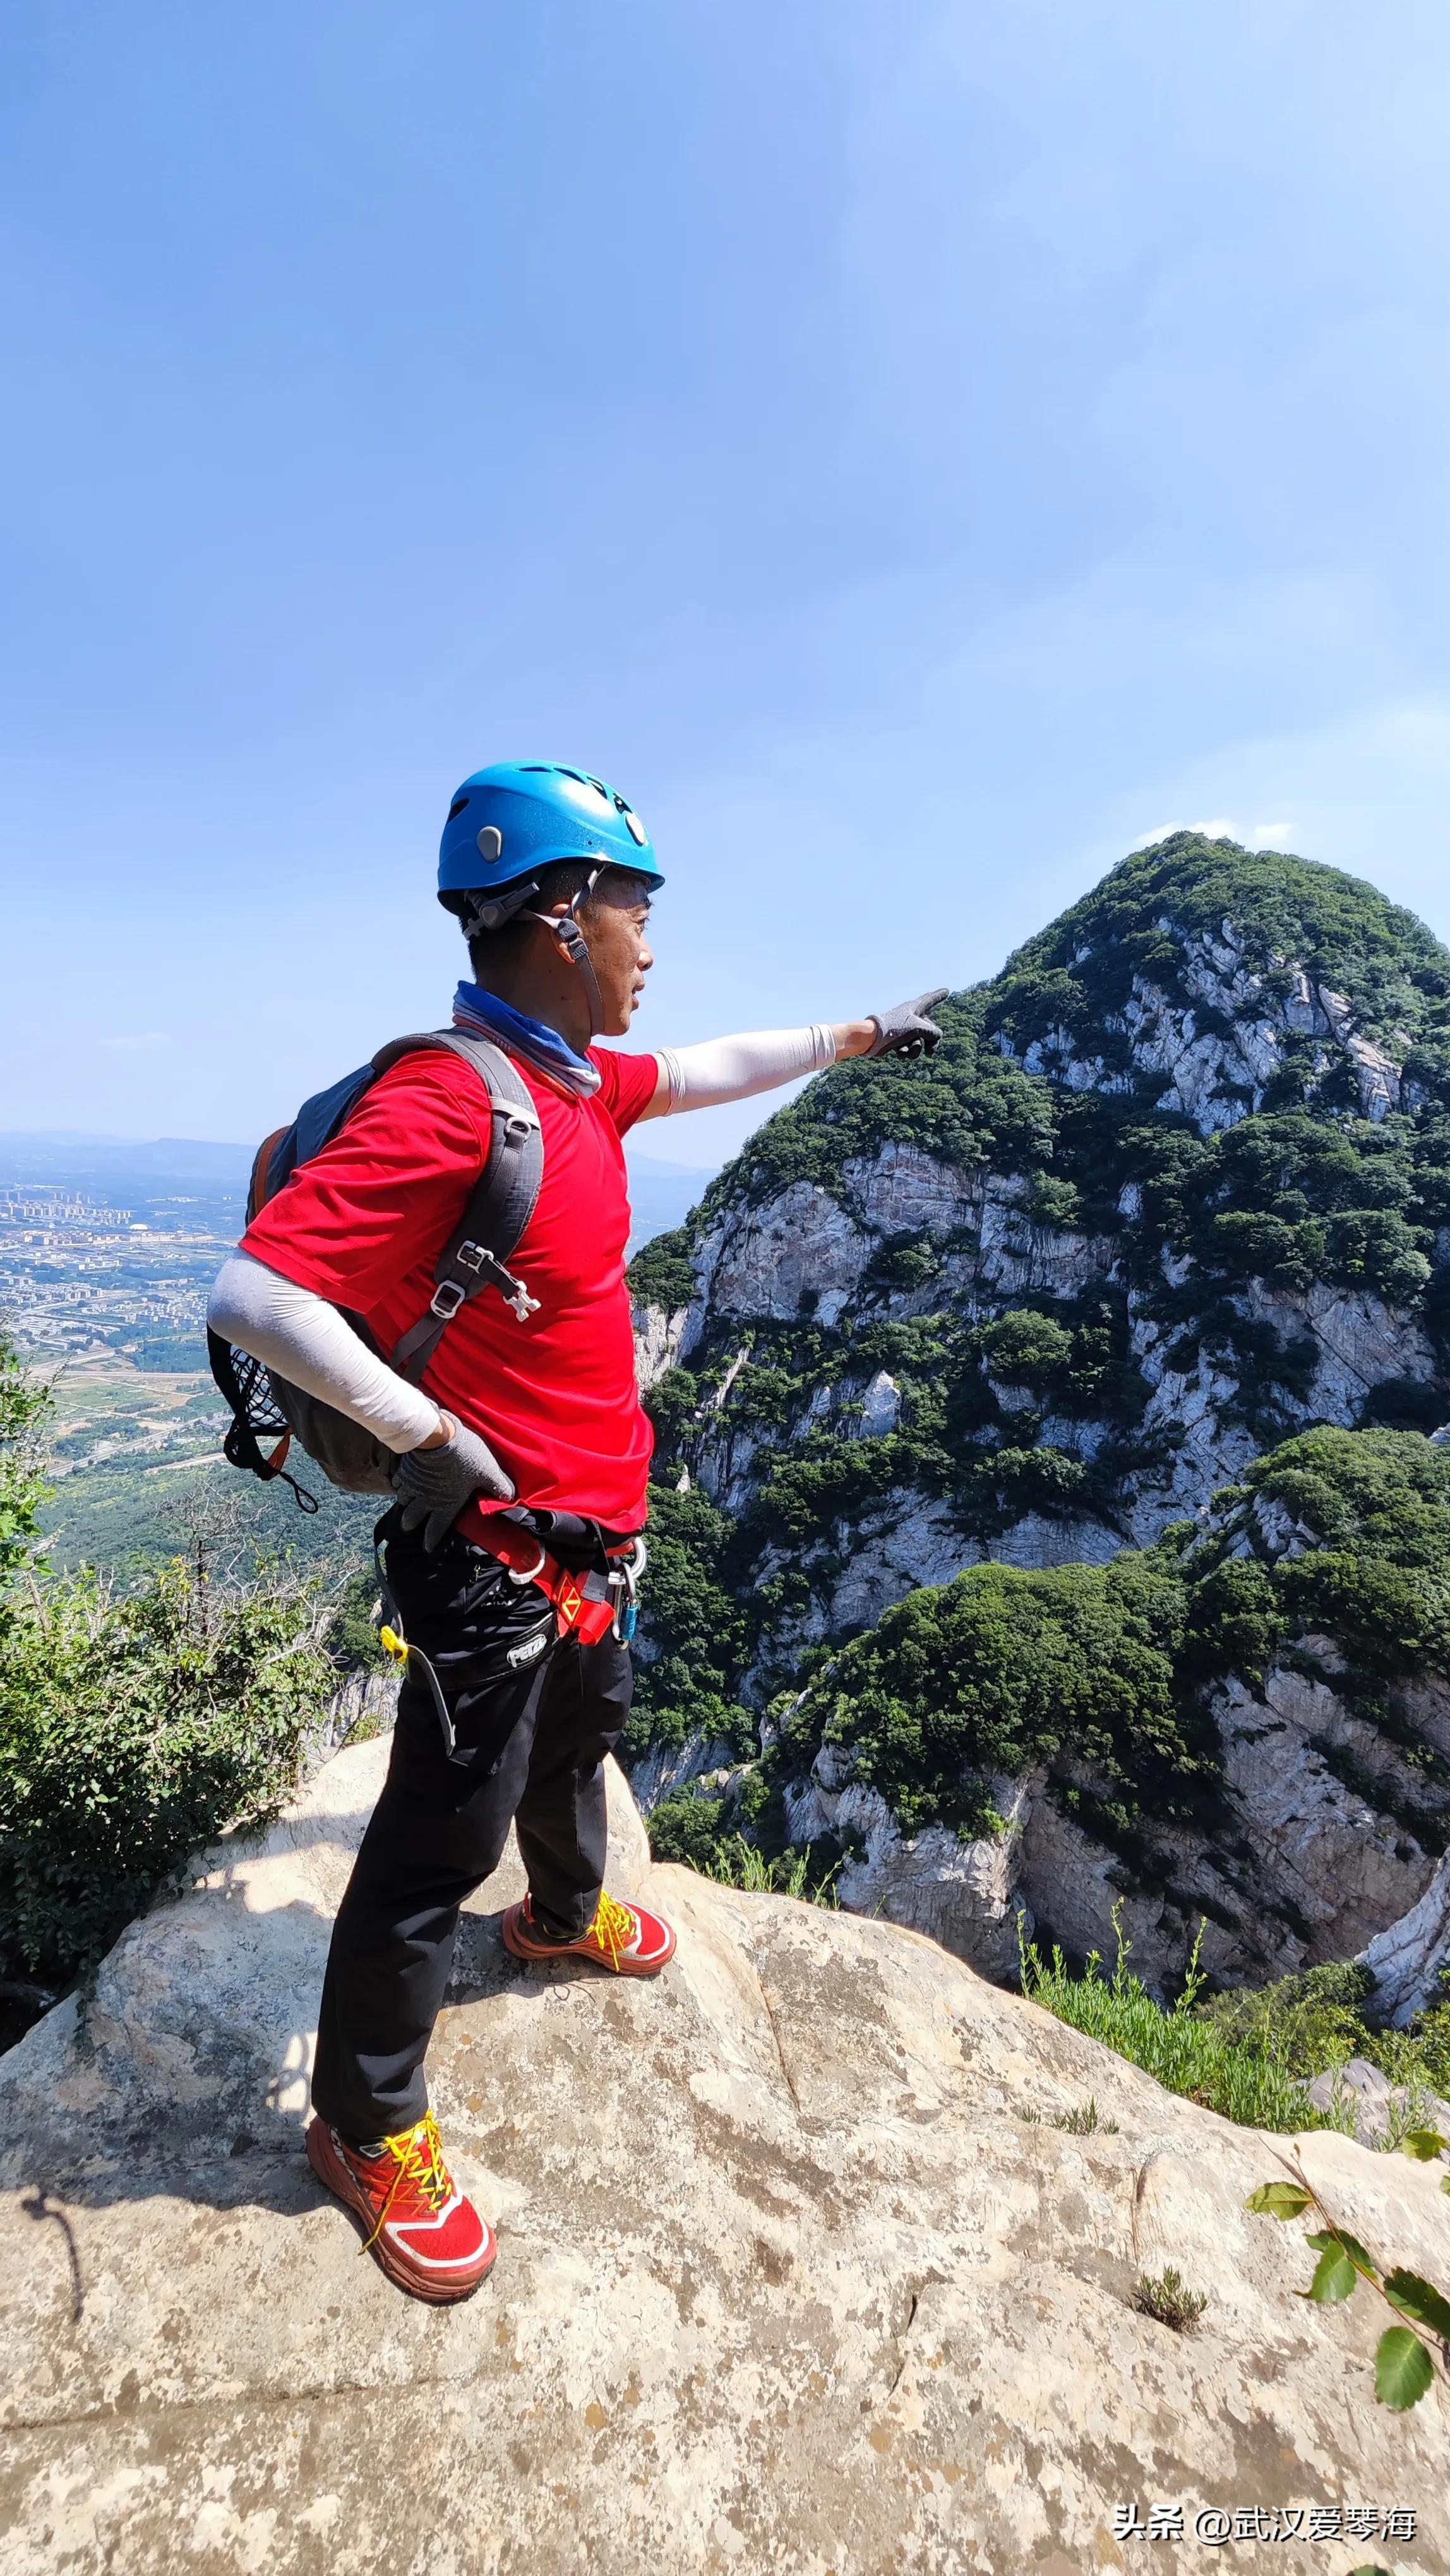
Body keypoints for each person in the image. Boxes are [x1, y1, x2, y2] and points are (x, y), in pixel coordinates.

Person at [208, 760, 945, 2305]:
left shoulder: (572, 1081)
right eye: (636, 910)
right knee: (434, 1838)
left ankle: (558, 1915)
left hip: (595, 1529)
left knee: (583, 1734)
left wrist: (852, 1039)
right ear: (560, 913)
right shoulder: (446, 1098)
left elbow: (702, 1069)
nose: (650, 948)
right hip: (490, 1551)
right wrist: (440, 1446)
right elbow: (260, 1295)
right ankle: (363, 2121)